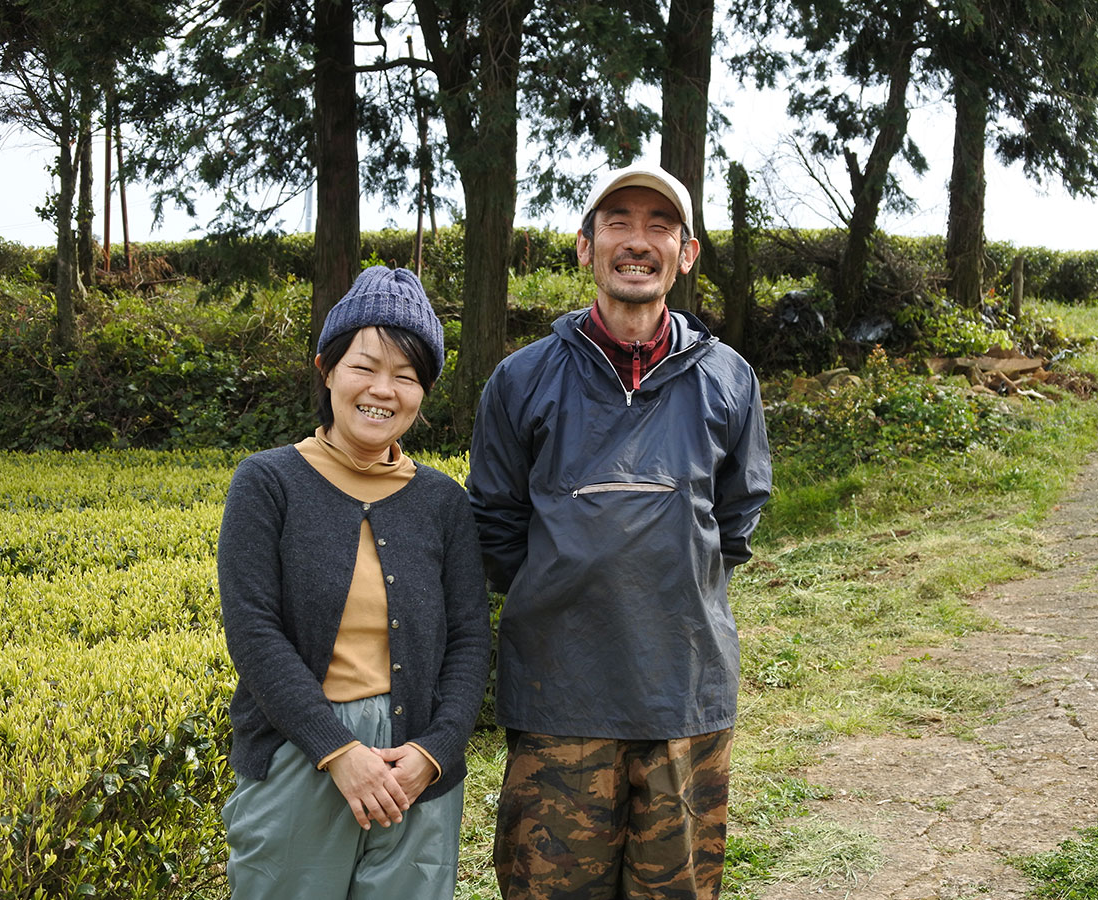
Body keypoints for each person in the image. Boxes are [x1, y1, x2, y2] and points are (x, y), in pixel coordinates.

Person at [467, 163, 773, 899]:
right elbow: (496, 524)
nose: (638, 241)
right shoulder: (520, 380)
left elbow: (735, 520)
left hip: (684, 694)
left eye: (659, 225)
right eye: (618, 222)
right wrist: (569, 584)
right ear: (585, 246)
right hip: (557, 701)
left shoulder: (730, 381)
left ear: (687, 253)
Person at [218, 266, 490, 899]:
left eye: (406, 375)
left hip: (415, 768)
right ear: (328, 369)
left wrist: (436, 751)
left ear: (424, 391)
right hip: (300, 753)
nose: (382, 390)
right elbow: (254, 632)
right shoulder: (268, 483)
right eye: (365, 367)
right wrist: (337, 750)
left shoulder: (442, 502)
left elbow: (471, 639)